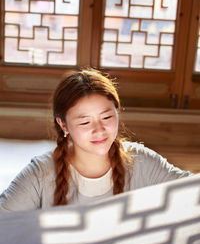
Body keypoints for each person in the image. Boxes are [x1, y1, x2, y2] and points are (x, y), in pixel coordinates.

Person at [0, 68, 192, 212]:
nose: (99, 130)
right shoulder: (40, 173)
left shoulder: (141, 160)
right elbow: (4, 221)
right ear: (64, 125)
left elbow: (192, 191)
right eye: (85, 122)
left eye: (107, 117)